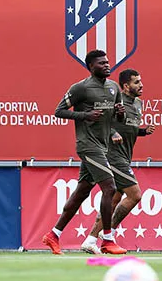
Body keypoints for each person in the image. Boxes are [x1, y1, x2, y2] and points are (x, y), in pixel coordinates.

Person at [43, 49, 127, 255]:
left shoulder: (113, 87)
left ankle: (53, 235)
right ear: (91, 66)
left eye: (108, 62)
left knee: (82, 192)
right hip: (87, 145)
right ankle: (107, 239)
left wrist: (120, 115)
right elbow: (59, 111)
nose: (107, 65)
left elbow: (118, 120)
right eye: (101, 63)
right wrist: (85, 115)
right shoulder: (81, 88)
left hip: (102, 146)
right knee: (110, 187)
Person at [81, 69, 155, 254]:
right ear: (125, 86)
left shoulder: (138, 103)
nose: (141, 85)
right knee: (135, 195)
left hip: (124, 156)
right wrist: (111, 133)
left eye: (141, 81)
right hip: (112, 156)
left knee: (114, 200)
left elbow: (129, 128)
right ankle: (108, 236)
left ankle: (90, 240)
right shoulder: (113, 102)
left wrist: (143, 131)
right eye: (136, 82)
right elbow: (96, 124)